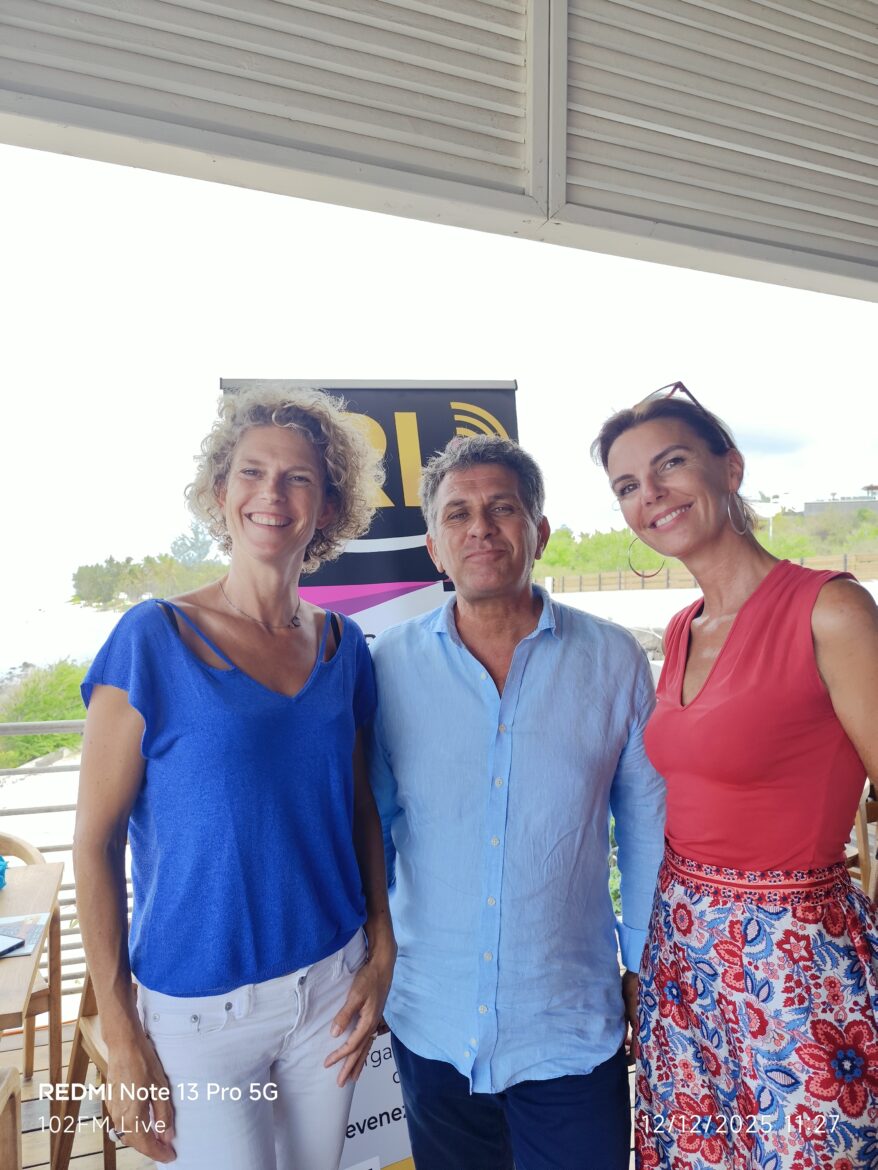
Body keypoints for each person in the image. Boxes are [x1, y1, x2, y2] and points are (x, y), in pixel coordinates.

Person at [74, 385, 396, 1170]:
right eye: (252, 472)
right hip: (198, 1015)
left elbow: (360, 811)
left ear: (327, 508)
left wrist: (382, 949)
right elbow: (94, 845)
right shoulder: (152, 640)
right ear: (220, 493)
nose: (272, 494)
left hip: (331, 987)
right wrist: (120, 1029)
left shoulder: (344, 646)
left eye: (298, 478)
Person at [593, 382, 878, 1170]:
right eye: (627, 485)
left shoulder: (829, 611)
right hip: (685, 950)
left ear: (731, 467)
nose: (651, 495)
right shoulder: (682, 627)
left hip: (794, 959)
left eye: (670, 464)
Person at [368, 435, 666, 1170]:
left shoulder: (614, 659)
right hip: (431, 1020)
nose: (481, 528)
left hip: (569, 1024)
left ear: (541, 531)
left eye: (503, 508)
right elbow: (371, 826)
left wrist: (643, 963)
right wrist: (367, 958)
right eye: (458, 514)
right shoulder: (389, 664)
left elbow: (646, 826)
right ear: (434, 548)